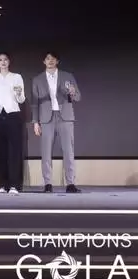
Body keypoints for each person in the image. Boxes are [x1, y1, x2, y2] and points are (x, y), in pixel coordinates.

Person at [31, 52, 82, 193]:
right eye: (48, 58)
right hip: (46, 118)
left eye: (53, 58)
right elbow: (34, 103)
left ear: (57, 61)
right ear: (44, 61)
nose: (50, 61)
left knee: (68, 151)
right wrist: (35, 122)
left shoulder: (67, 76)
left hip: (65, 117)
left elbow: (78, 97)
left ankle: (70, 183)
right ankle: (47, 183)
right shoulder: (37, 79)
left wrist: (72, 92)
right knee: (46, 152)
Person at [0, 52, 25, 195]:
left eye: (5, 59)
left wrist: (19, 93)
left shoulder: (17, 77)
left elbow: (21, 99)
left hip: (13, 115)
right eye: (0, 60)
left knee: (14, 151)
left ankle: (14, 185)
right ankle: (2, 184)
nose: (3, 62)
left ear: (9, 61)